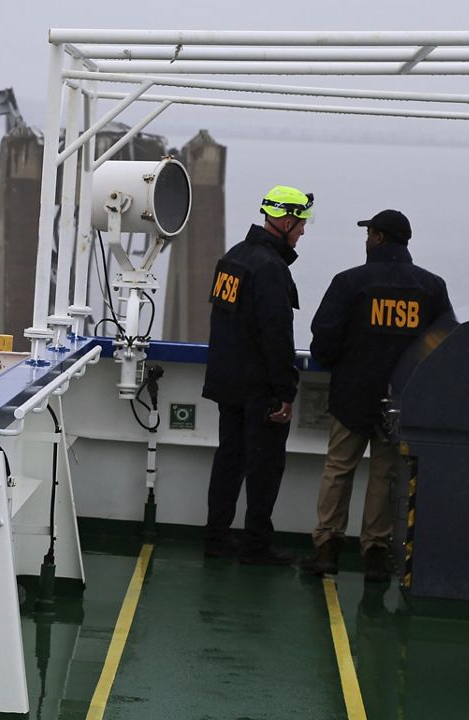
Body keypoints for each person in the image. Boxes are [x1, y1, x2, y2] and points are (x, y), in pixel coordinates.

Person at [298, 209, 452, 581]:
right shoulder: (431, 287)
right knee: (385, 475)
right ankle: (375, 556)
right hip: (401, 400)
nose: (366, 239)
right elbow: (445, 343)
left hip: (352, 394)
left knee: (338, 469)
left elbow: (324, 339)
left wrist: (339, 362)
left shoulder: (350, 282)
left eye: (369, 233)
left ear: (380, 238)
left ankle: (327, 549)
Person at [202, 185, 312, 564]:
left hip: (227, 381)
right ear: (284, 220)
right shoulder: (270, 269)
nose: (302, 232)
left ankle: (215, 538)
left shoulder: (234, 257)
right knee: (264, 467)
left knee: (229, 461)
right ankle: (256, 546)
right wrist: (285, 391)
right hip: (258, 387)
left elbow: (223, 323)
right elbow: (276, 335)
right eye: (300, 224)